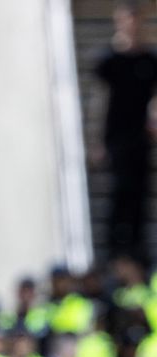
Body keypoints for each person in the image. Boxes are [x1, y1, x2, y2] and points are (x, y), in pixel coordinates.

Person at [94, 1, 157, 265]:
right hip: (116, 136)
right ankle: (114, 254)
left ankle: (138, 252)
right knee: (119, 192)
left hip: (140, 137)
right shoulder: (108, 60)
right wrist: (98, 141)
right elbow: (100, 99)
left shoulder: (149, 59)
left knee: (139, 194)